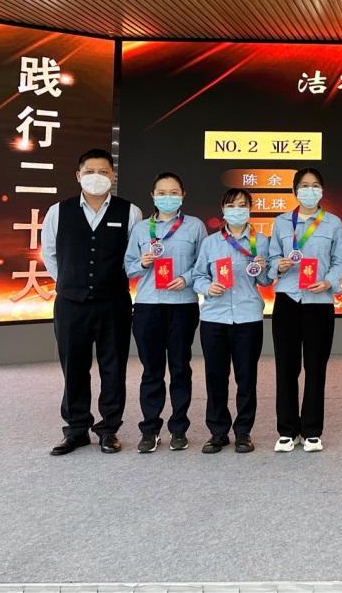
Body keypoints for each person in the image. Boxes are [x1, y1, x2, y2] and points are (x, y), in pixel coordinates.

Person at [42, 147, 142, 456]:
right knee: (74, 366)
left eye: (103, 172)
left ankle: (109, 429)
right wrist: (70, 282)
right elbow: (50, 254)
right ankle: (76, 429)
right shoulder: (58, 211)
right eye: (89, 172)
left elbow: (133, 257)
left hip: (114, 302)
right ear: (78, 176)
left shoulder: (131, 212)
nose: (96, 177)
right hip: (71, 303)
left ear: (113, 176)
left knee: (113, 367)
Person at [123, 172, 206, 453]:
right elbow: (128, 267)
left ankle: (179, 429)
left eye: (173, 192)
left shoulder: (195, 226)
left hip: (182, 305)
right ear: (152, 196)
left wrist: (186, 278)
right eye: (162, 192)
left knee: (180, 368)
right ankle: (150, 429)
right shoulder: (140, 229)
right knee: (152, 371)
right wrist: (143, 263)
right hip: (148, 305)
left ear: (183, 195)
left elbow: (203, 264)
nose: (167, 197)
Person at [269, 168, 342, 453]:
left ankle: (312, 430)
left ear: (322, 191)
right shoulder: (281, 222)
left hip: (319, 302)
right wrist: (279, 265)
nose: (309, 190)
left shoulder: (333, 223)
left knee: (316, 368)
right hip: (288, 300)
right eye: (304, 185)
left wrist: (329, 281)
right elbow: (270, 258)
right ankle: (287, 431)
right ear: (294, 191)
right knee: (286, 368)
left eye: (315, 185)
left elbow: (340, 261)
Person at [192, 188, 271, 454]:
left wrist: (263, 267)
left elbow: (265, 281)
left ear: (250, 209)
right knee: (216, 377)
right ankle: (218, 432)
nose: (237, 210)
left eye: (242, 205)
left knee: (246, 377)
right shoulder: (210, 243)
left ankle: (243, 432)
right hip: (214, 317)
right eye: (231, 205)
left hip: (248, 317)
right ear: (223, 209)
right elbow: (198, 276)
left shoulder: (261, 241)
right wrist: (208, 287)